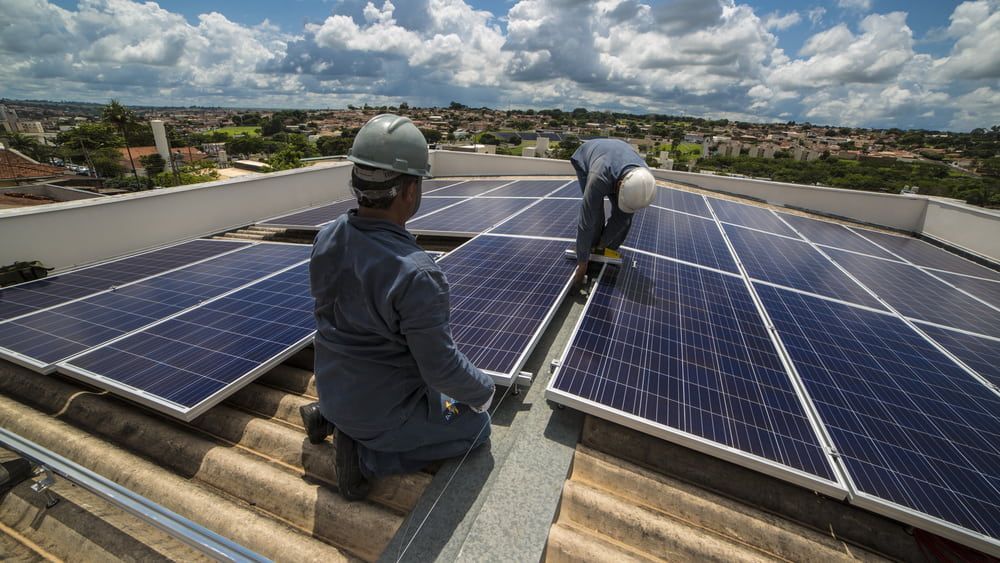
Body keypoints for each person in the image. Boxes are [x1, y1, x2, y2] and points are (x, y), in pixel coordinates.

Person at [299, 114, 495, 501]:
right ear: (409, 191)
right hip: (383, 412)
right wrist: (483, 391)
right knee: (476, 429)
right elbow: (440, 367)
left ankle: (331, 417)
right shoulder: (415, 273)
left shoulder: (328, 235)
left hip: (335, 387)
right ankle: (366, 458)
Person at [570, 138, 657, 285]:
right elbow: (586, 221)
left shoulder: (642, 180)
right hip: (588, 157)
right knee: (595, 214)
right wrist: (582, 262)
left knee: (624, 219)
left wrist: (603, 245)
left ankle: (603, 248)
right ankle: (590, 250)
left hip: (617, 160)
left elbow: (622, 218)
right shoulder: (599, 177)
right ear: (619, 186)